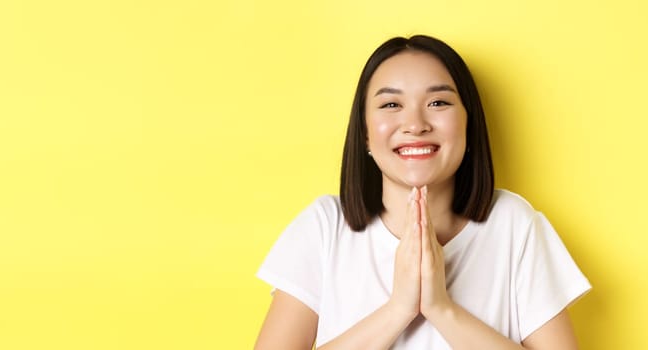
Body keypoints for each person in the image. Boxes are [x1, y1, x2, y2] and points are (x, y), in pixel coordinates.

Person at [253, 35, 591, 349]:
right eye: (390, 105)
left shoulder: (513, 224)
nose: (415, 124)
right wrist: (398, 309)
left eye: (438, 102)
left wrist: (441, 309)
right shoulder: (325, 227)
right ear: (365, 134)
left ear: (468, 124)